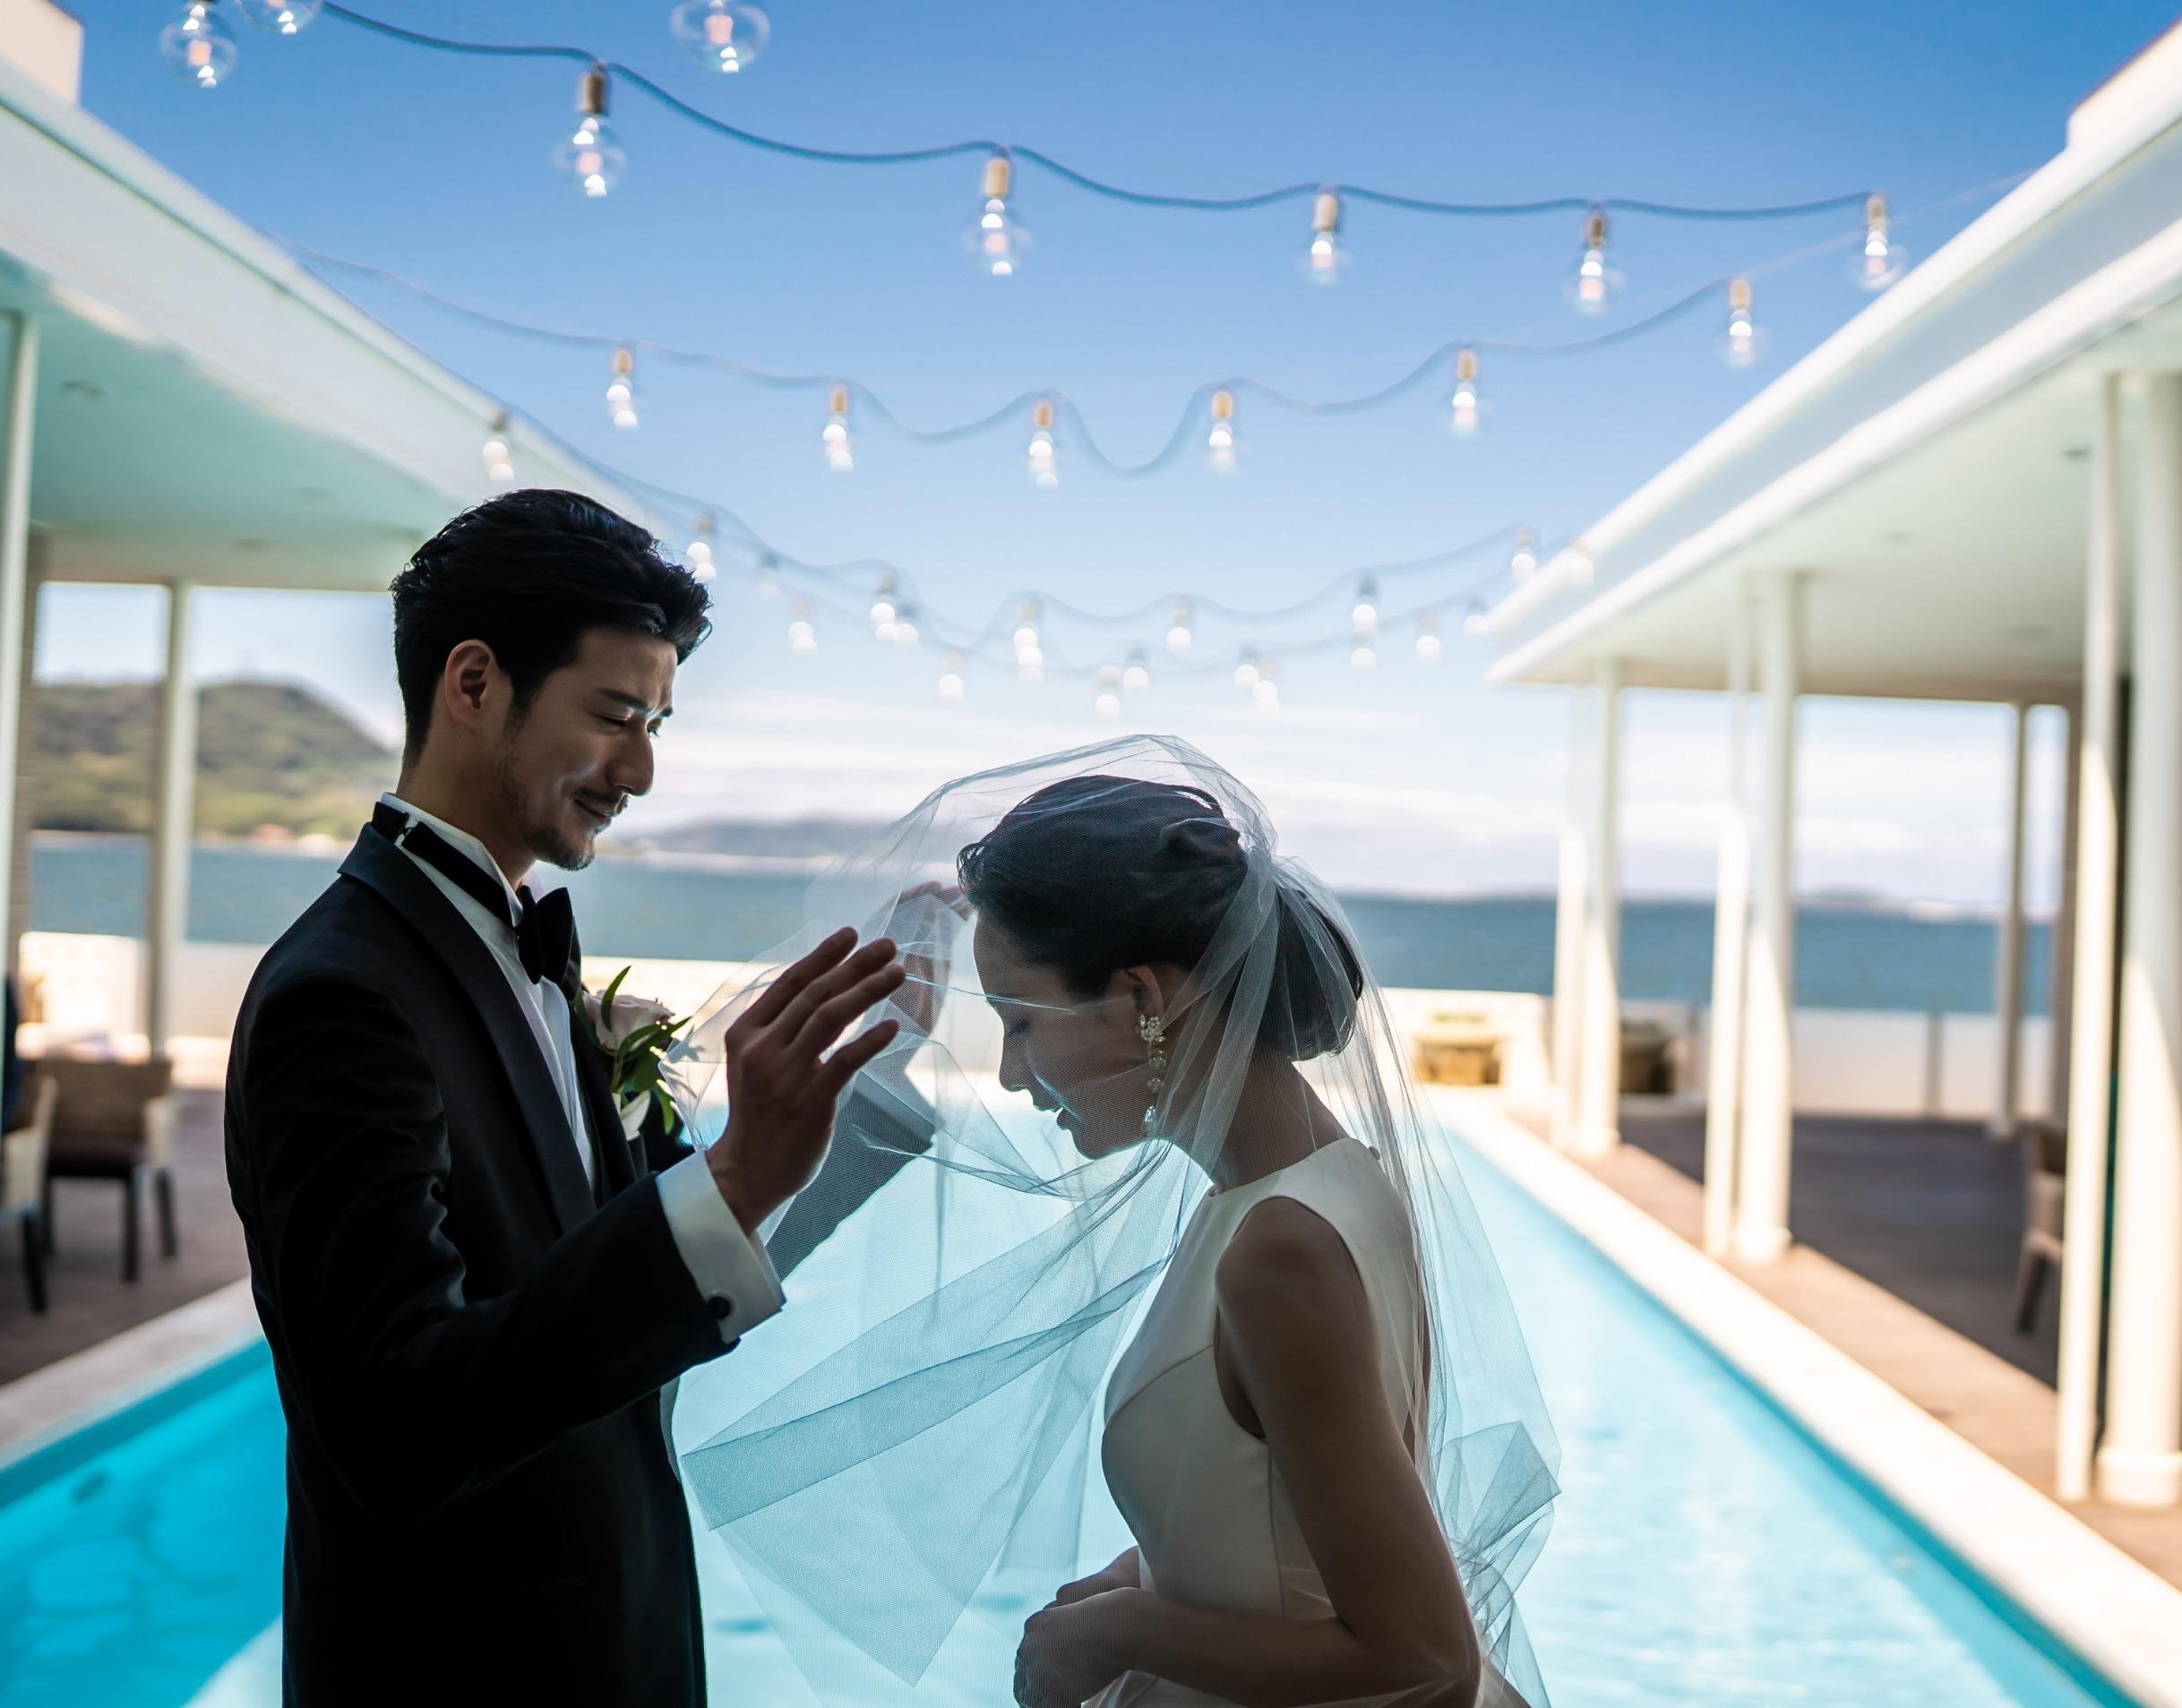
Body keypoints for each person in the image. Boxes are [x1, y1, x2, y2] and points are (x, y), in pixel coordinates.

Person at [665, 737, 1559, 1708]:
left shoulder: (1278, 1249)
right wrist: (1137, 1574)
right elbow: (1280, 1513)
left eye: (1020, 1022)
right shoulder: (1316, 1185)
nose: (1012, 1074)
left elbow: (1427, 1661)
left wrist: (1122, 1631)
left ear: (1140, 997)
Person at [223, 490, 904, 1706]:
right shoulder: (342, 994)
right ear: (474, 683)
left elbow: (631, 1279)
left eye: (656, 723)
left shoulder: (523, 960)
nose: (641, 769)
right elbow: (395, 1427)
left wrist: (842, 1105)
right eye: (615, 715)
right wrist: (732, 1177)